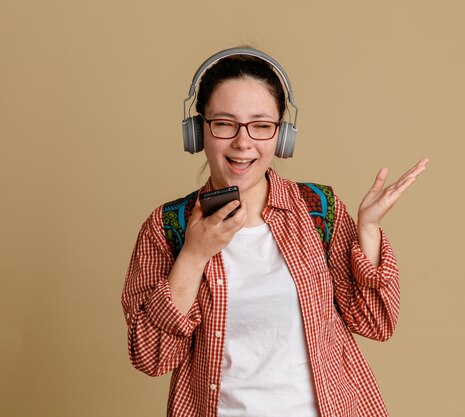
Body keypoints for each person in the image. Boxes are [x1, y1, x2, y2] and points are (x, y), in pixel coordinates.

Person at [121, 47, 428, 417]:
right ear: (197, 131)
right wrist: (194, 255)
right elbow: (151, 356)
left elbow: (376, 322)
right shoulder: (166, 226)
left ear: (282, 136)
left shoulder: (319, 209)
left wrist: (368, 230)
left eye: (261, 125)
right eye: (224, 123)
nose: (243, 142)